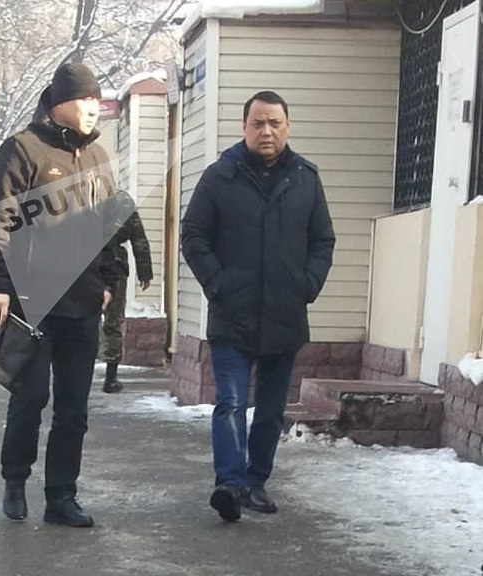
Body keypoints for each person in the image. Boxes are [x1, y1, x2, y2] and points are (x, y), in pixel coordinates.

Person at [182, 90, 335, 522]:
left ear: (287, 126)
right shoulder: (220, 176)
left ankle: (255, 482)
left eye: (274, 123)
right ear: (244, 127)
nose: (266, 131)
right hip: (233, 313)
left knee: (270, 411)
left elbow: (323, 240)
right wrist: (218, 283)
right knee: (231, 402)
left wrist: (307, 285)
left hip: (285, 313)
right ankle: (229, 486)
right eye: (258, 123)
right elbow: (194, 235)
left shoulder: (306, 178)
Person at [0, 62, 121, 528]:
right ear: (60, 101)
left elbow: (109, 225)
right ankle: (15, 480)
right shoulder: (24, 148)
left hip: (83, 305)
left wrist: (107, 282)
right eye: (85, 99)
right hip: (32, 302)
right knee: (31, 399)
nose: (93, 108)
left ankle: (62, 496)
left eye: (97, 100)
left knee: (73, 410)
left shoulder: (98, 157)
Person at [100, 209, 153, 393]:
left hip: (86, 268)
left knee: (83, 320)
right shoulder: (123, 203)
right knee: (113, 322)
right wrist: (144, 272)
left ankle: (77, 373)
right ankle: (110, 377)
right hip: (115, 268)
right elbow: (139, 240)